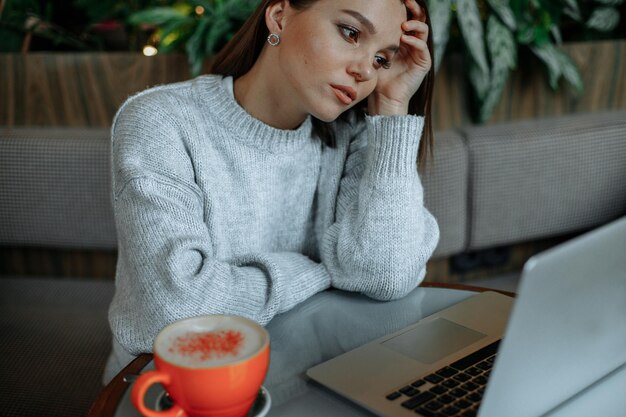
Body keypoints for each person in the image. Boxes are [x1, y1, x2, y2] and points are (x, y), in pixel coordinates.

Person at [103, 0, 440, 382]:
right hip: (174, 390)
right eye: (350, 33)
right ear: (279, 14)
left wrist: (393, 110)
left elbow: (386, 275)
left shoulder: (357, 138)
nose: (364, 70)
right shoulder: (161, 121)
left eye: (382, 59)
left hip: (305, 381)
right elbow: (175, 311)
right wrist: (321, 271)